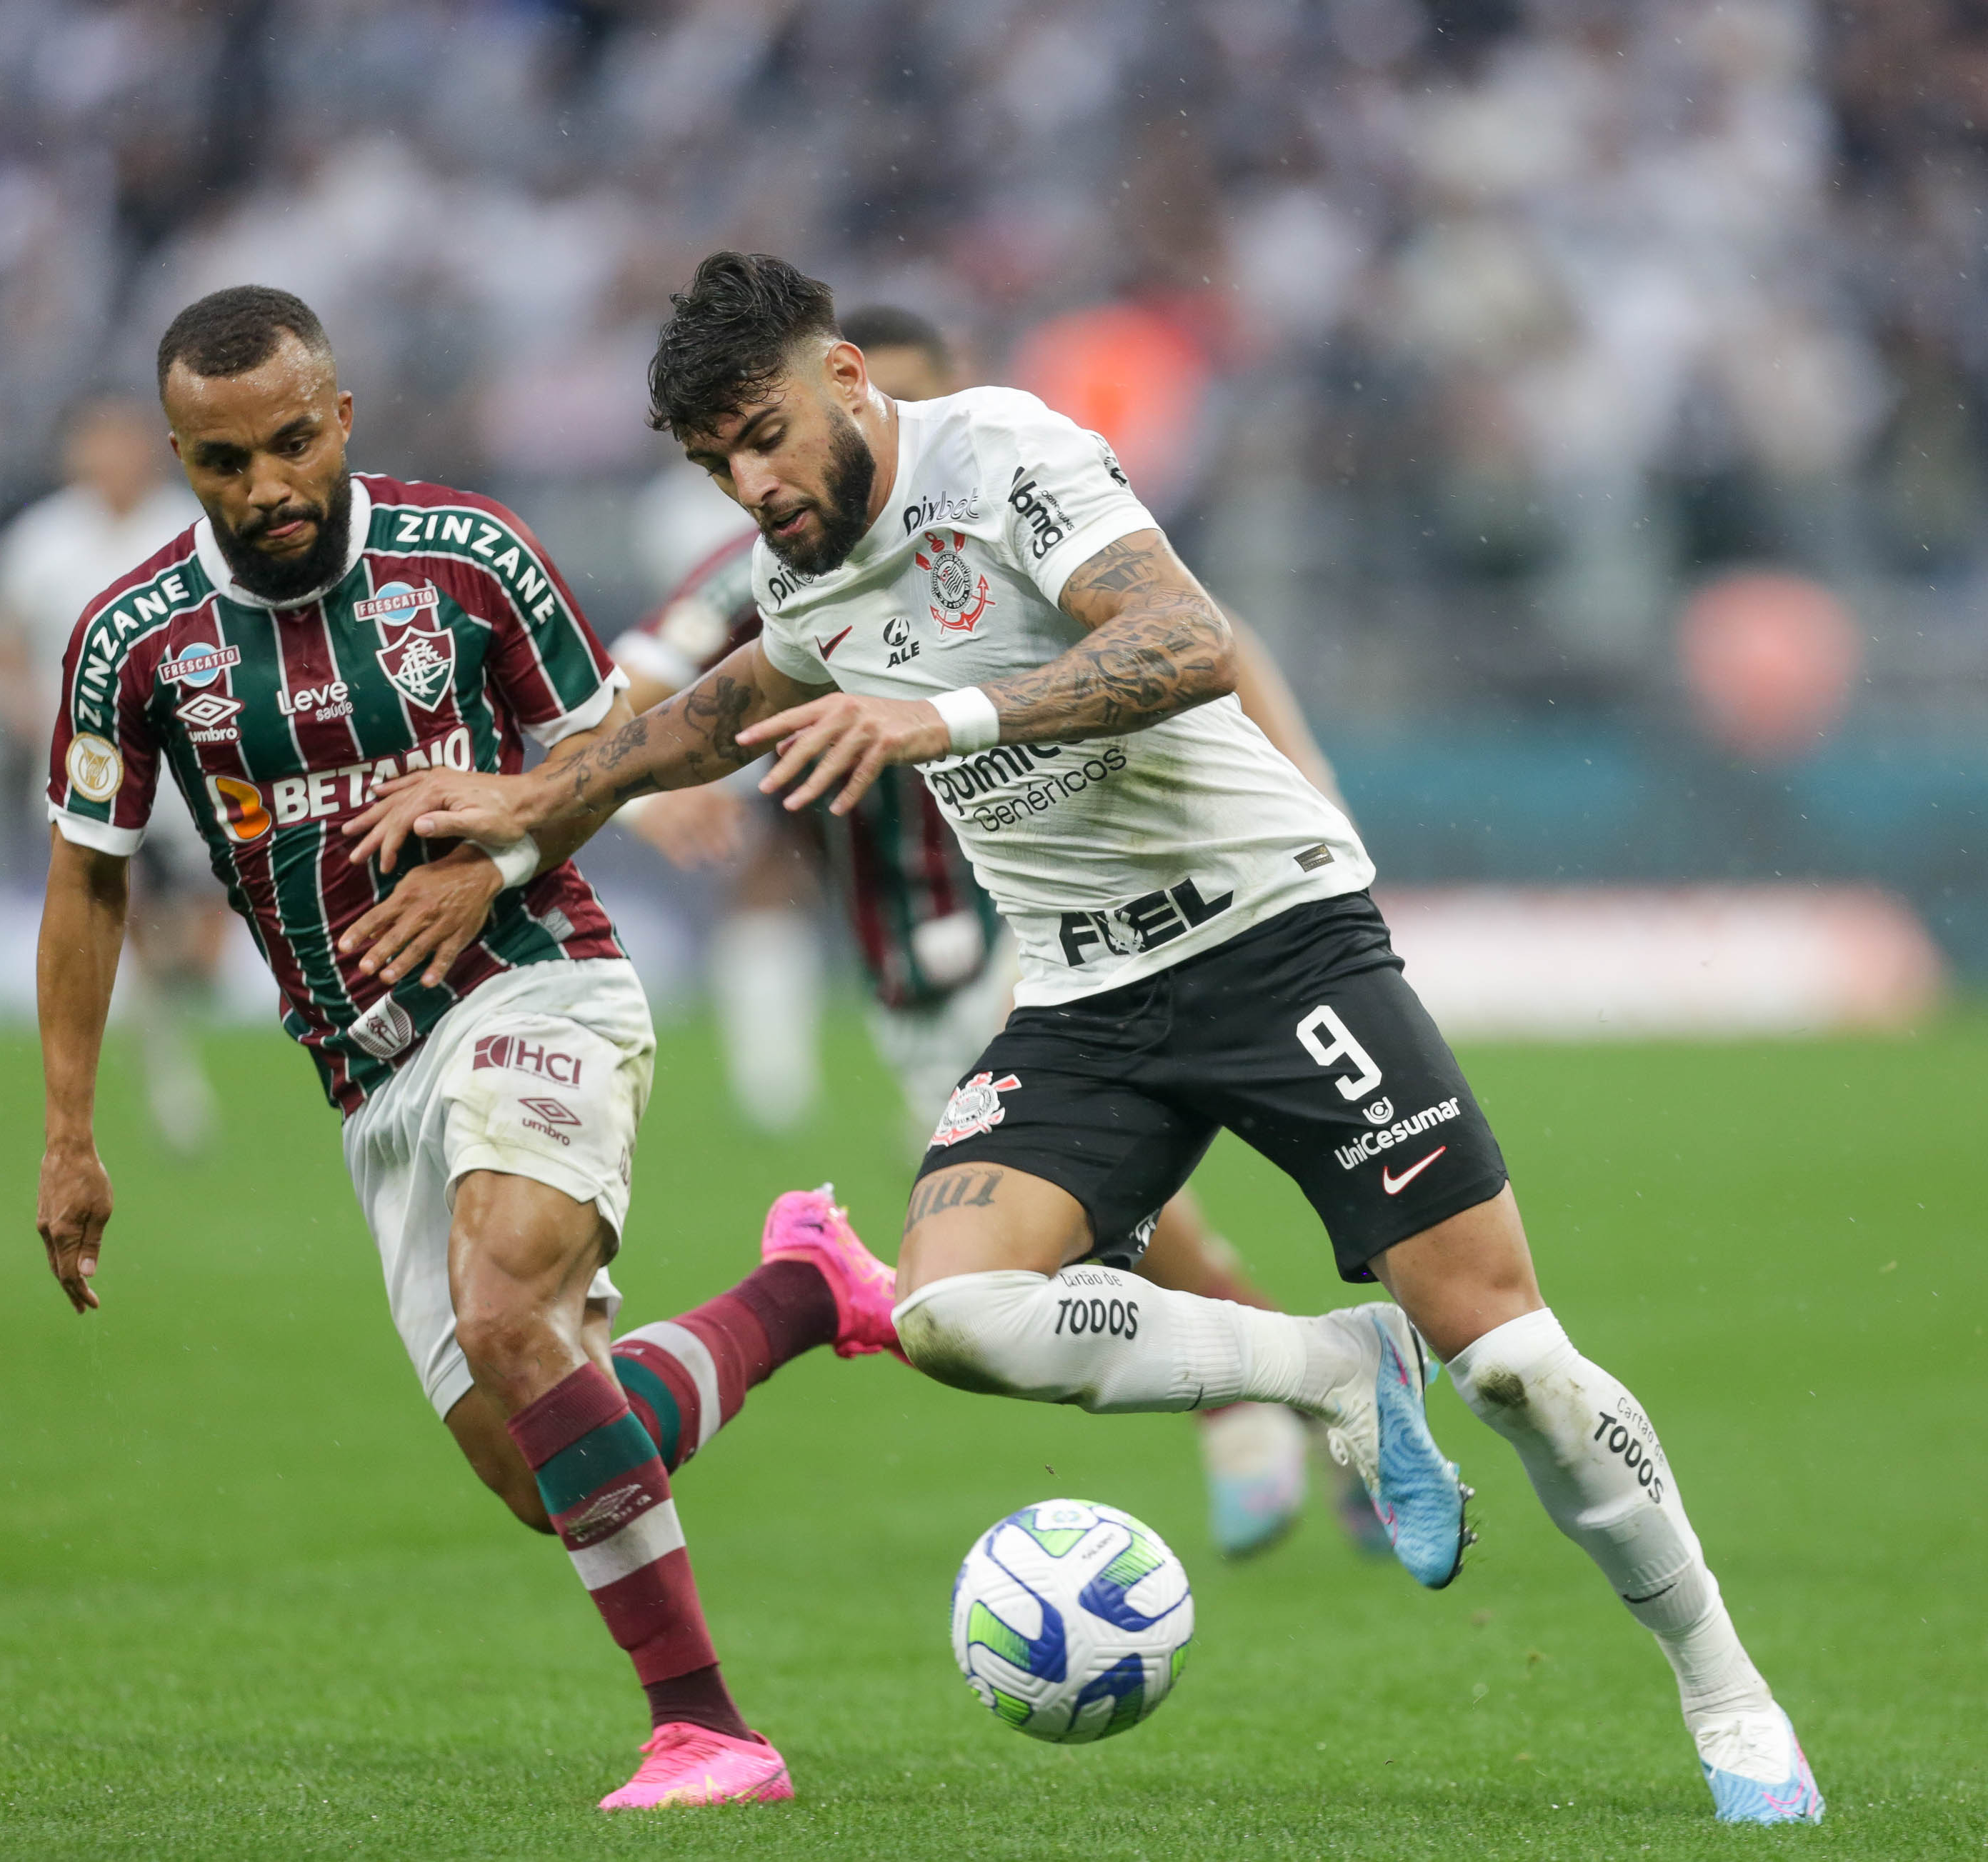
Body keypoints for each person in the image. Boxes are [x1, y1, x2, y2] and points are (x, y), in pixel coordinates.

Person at [339, 254, 1824, 1826]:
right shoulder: (805, 568)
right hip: (1086, 1001)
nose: (752, 482)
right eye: (717, 462)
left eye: (764, 434)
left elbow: (1182, 639)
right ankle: (1333, 1366)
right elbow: (713, 711)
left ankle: (1727, 1689)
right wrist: (529, 807)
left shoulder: (1007, 453)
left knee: (1515, 1362)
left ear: (847, 377)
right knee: (953, 1311)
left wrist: (945, 720)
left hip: (1276, 939)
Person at [33, 284, 916, 1812]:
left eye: (294, 445)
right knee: (549, 1466)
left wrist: (494, 855)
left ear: (344, 416)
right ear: (183, 456)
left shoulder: (469, 555)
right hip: (366, 1072)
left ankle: (708, 1732)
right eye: (226, 463)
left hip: (537, 980)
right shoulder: (133, 641)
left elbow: (596, 749)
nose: (270, 488)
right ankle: (801, 1289)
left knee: (510, 1308)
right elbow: (90, 872)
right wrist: (68, 1131)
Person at [609, 303, 1384, 1561]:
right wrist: (640, 781)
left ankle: (1274, 1401)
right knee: (1053, 1263)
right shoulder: (778, 559)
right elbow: (647, 676)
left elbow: (1209, 641)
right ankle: (1296, 1388)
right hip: (904, 970)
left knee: (1090, 1233)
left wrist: (1309, 794)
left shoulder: (1012, 489)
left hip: (1036, 933)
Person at [0, 398, 225, 1152]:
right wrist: (25, 713)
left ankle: (169, 1016)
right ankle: (164, 1079)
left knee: (199, 940)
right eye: (96, 445)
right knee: (109, 910)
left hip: (184, 766)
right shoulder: (40, 540)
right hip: (84, 766)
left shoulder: (188, 532)